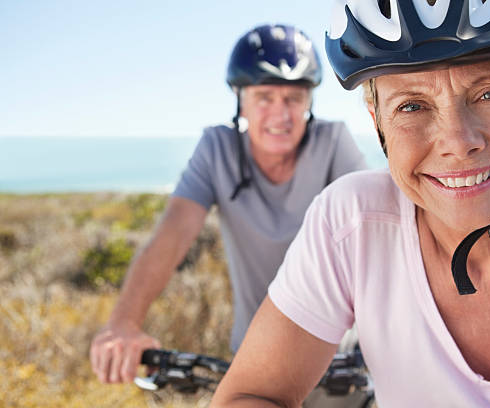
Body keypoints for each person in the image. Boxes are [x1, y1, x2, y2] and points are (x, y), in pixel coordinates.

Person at [211, 1, 490, 406]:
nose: (457, 142)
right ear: (378, 121)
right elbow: (251, 394)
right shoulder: (353, 224)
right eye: (412, 106)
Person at [89, 23, 368, 390]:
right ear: (241, 100)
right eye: (264, 97)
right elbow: (172, 235)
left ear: (309, 102)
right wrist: (123, 322)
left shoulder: (332, 142)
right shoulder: (216, 148)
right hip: (255, 355)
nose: (280, 115)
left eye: (293, 99)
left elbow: (373, 229)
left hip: (338, 358)